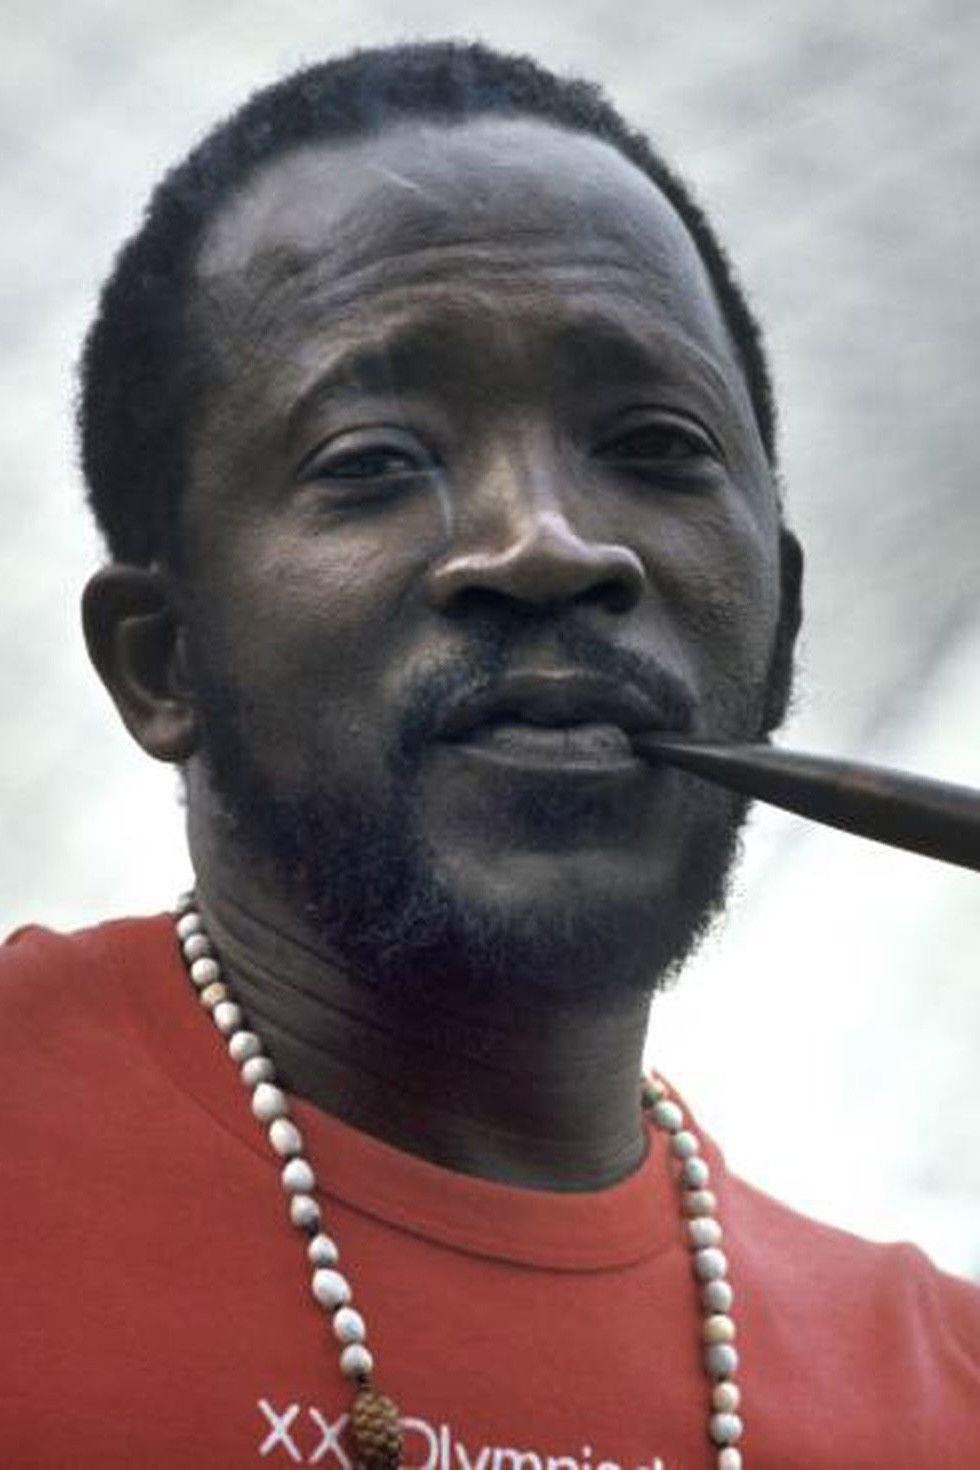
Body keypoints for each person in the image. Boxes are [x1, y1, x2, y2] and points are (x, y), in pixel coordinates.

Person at [1, 40, 977, 1470]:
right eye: (372, 460)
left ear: (778, 626)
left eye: (653, 444)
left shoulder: (945, 1394)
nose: (548, 543)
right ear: (162, 659)